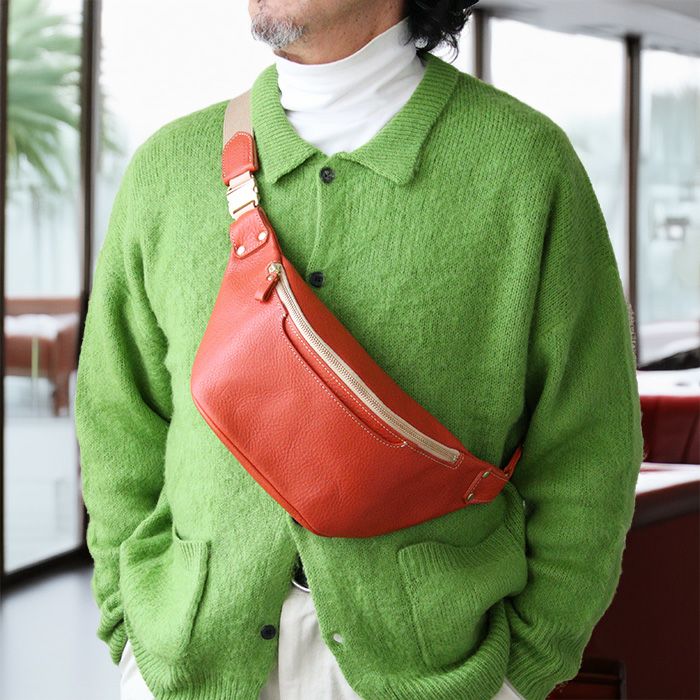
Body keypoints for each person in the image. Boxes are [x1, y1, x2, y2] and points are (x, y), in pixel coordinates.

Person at [75, 1, 644, 699]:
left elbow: (589, 446)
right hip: (185, 662)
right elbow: (117, 420)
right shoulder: (166, 171)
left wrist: (523, 670)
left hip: (440, 670)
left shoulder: (525, 168)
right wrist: (127, 628)